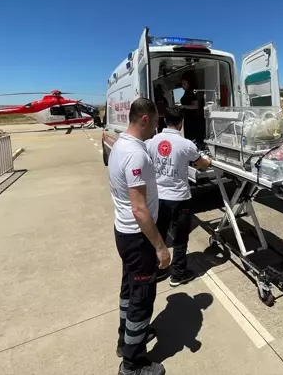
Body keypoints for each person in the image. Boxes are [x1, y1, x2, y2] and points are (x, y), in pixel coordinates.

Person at [108, 98, 170, 375]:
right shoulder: (136, 154)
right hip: (138, 238)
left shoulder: (120, 145)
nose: (157, 127)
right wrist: (159, 246)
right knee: (142, 299)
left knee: (129, 291)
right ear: (144, 119)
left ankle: (127, 340)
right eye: (156, 121)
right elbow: (139, 209)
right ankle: (132, 365)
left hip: (125, 233)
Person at [147, 106, 212, 287]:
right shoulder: (186, 144)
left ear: (164, 120)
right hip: (180, 197)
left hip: (159, 197)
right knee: (180, 237)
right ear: (181, 121)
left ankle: (159, 270)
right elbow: (202, 164)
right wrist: (209, 160)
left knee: (159, 234)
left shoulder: (152, 142)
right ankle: (178, 273)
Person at [179, 70, 205, 146]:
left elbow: (196, 106)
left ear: (189, 83)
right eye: (182, 84)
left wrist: (183, 106)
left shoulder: (192, 92)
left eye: (184, 83)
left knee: (191, 137)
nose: (182, 86)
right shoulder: (187, 92)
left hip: (193, 120)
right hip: (188, 119)